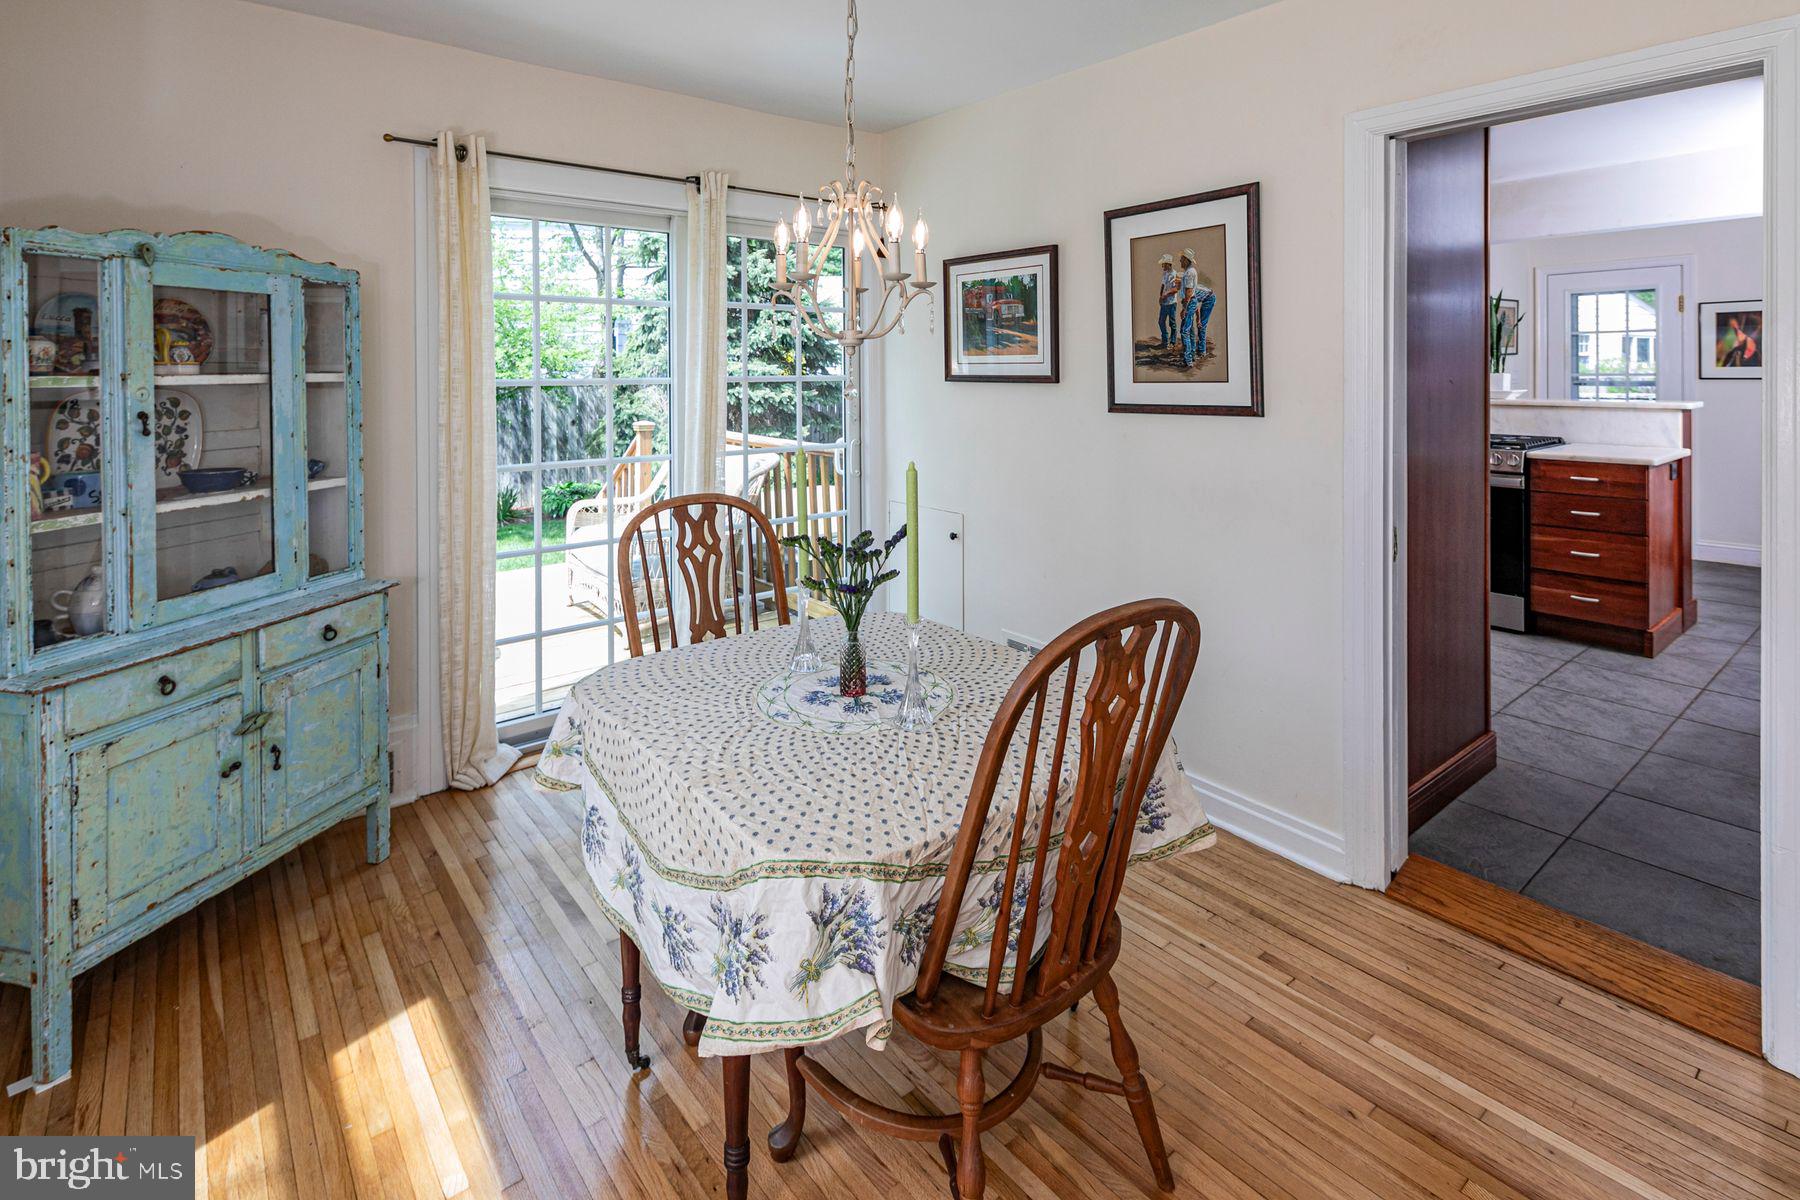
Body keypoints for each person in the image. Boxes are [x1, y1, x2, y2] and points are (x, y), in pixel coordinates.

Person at [1179, 250, 1216, 368]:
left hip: (1208, 299)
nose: (1180, 260)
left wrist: (1184, 310)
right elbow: (1193, 302)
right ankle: (1193, 354)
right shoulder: (1189, 274)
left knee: (1195, 327)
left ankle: (1193, 356)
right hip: (1196, 300)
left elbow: (1191, 295)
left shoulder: (1189, 274)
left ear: (1186, 260)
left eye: (1181, 258)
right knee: (1190, 328)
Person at [1156, 253, 1179, 347]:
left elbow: (1176, 289)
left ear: (1169, 264)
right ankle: (1165, 341)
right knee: (1161, 321)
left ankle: (1173, 342)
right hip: (1165, 302)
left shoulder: (1175, 274)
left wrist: (1166, 294)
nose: (1162, 266)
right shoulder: (1165, 273)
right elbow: (1162, 285)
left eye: (1164, 264)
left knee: (1172, 323)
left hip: (1172, 302)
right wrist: (1161, 296)